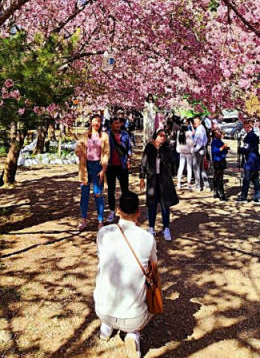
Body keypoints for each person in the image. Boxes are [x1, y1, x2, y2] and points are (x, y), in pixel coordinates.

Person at [94, 190, 156, 358]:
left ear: (118, 210)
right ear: (138, 212)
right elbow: (153, 270)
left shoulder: (103, 233)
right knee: (150, 291)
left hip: (102, 309)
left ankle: (106, 328)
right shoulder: (147, 238)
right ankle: (133, 334)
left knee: (107, 273)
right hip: (133, 317)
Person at [139, 129, 178, 241]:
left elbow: (171, 162)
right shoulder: (149, 147)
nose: (162, 137)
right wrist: (142, 178)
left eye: (164, 136)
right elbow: (144, 162)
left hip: (164, 180)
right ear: (155, 136)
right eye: (160, 135)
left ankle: (166, 228)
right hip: (152, 179)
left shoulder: (166, 148)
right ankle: (151, 227)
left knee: (165, 205)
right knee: (152, 204)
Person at [75, 113, 109, 230]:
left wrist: (103, 170)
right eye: (95, 121)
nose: (96, 123)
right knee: (84, 194)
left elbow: (106, 153)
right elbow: (78, 149)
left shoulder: (104, 136)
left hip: (97, 166)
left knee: (98, 194)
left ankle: (100, 221)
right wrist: (80, 154)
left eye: (99, 121)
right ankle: (83, 220)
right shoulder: (84, 135)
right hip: (86, 166)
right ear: (91, 122)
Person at [106, 114, 132, 222]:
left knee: (124, 189)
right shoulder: (107, 135)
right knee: (111, 189)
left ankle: (124, 210)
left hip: (122, 165)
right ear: (111, 125)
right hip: (111, 166)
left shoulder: (125, 134)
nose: (118, 125)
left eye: (119, 123)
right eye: (115, 123)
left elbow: (129, 148)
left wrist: (129, 159)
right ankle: (112, 211)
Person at [236, 119, 260, 203]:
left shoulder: (249, 136)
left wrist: (240, 150)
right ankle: (257, 197)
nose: (245, 129)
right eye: (245, 127)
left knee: (246, 179)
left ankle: (244, 197)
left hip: (251, 161)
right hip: (255, 160)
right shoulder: (254, 136)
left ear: (250, 127)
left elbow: (247, 148)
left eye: (246, 127)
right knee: (255, 179)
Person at [210, 129, 230, 200]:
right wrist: (224, 147)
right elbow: (216, 151)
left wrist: (226, 148)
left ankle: (217, 191)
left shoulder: (219, 141)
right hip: (217, 161)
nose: (219, 134)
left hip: (221, 159)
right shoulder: (214, 142)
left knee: (218, 176)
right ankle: (220, 193)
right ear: (214, 134)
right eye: (217, 133)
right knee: (219, 177)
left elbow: (223, 150)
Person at [191, 117, 209, 192]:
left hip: (199, 150)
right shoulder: (201, 128)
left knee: (196, 169)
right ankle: (206, 185)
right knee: (202, 168)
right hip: (202, 149)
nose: (195, 122)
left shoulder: (200, 129)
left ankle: (198, 186)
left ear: (200, 121)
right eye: (194, 121)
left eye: (196, 121)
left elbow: (200, 142)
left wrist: (194, 150)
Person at [175, 122, 194, 190]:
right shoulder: (189, 132)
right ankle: (188, 183)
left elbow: (177, 142)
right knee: (189, 168)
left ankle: (179, 183)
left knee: (181, 167)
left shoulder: (178, 132)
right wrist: (192, 151)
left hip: (181, 152)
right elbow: (191, 143)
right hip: (188, 152)